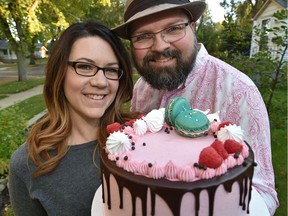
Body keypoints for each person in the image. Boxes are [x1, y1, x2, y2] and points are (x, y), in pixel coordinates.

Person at [112, 0, 279, 215]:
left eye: (173, 29)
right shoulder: (141, 89)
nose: (160, 46)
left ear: (192, 27)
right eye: (143, 36)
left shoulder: (239, 92)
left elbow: (262, 191)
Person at [9, 20, 136, 216]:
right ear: (59, 73)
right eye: (85, 66)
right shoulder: (28, 164)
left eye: (111, 70)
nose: (101, 82)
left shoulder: (138, 135)